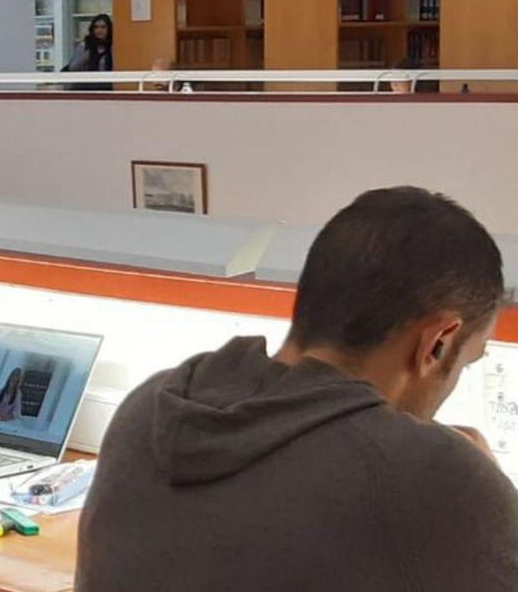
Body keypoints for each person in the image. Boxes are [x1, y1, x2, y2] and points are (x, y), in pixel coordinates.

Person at [77, 187, 518, 592]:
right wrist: (485, 484)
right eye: (467, 360)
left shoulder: (148, 406)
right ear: (437, 343)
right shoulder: (434, 476)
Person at [65, 14, 113, 91]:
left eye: (103, 27)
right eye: (96, 27)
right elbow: (72, 68)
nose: (99, 30)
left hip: (106, 89)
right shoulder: (84, 45)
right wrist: (86, 57)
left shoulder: (112, 46)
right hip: (84, 89)